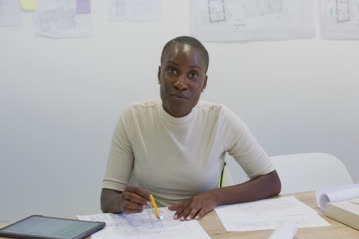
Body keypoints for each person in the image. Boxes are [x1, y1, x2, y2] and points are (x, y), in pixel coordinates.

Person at [100, 36, 281, 221]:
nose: (180, 83)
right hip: (150, 226)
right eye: (172, 71)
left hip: (205, 225)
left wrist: (213, 197)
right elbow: (107, 199)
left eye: (193, 75)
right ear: (159, 74)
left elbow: (271, 183)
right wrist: (122, 202)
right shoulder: (133, 117)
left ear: (204, 83)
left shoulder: (219, 119)